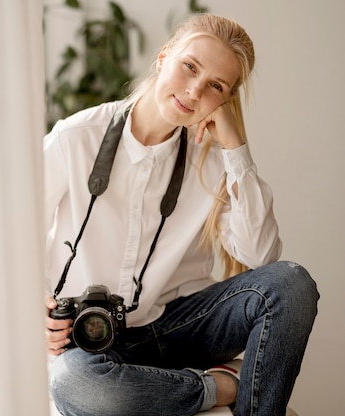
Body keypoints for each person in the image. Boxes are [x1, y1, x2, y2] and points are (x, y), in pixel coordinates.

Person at [43, 14, 319, 416]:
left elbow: (261, 256)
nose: (194, 90)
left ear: (225, 100)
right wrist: (39, 310)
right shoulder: (76, 139)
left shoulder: (212, 161)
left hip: (168, 330)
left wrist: (235, 147)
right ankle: (224, 385)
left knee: (292, 284)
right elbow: (10, 238)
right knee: (74, 383)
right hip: (86, 341)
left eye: (215, 86)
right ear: (163, 57)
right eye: (190, 66)